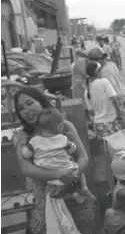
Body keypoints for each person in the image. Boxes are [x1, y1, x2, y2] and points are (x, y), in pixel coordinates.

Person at [12, 86, 96, 234]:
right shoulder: (21, 135)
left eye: (29, 103)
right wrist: (59, 175)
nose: (26, 110)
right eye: (21, 108)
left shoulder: (63, 126)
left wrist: (68, 180)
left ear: (41, 102)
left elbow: (83, 157)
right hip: (46, 198)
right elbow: (27, 169)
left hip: (75, 192)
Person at [21, 107, 90, 203]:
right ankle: (83, 187)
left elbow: (25, 154)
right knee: (79, 171)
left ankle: (72, 195)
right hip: (68, 169)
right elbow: (72, 149)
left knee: (54, 194)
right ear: (60, 127)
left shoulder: (34, 141)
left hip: (50, 174)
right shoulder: (63, 138)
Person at [84, 61, 122, 137]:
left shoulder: (86, 91)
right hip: (112, 122)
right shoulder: (104, 82)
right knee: (117, 146)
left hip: (98, 125)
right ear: (97, 72)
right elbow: (114, 99)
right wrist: (119, 115)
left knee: (105, 147)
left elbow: (91, 112)